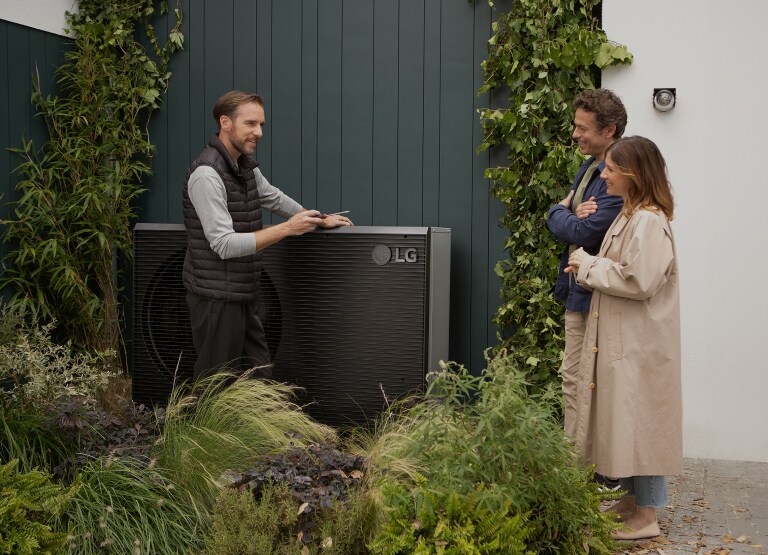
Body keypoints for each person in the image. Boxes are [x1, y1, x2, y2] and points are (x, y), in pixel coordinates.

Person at [182, 90, 352, 381]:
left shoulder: (243, 167)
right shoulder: (207, 175)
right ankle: (198, 427)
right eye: (250, 123)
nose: (258, 132)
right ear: (226, 123)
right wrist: (289, 228)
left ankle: (270, 427)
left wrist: (317, 218)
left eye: (261, 124)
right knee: (214, 383)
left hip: (243, 291)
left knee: (260, 376)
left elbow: (272, 197)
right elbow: (223, 244)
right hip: (215, 298)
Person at [566, 136, 682, 540]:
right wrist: (591, 264)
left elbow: (639, 279)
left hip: (639, 343)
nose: (604, 174)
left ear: (633, 174)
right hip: (626, 339)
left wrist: (586, 263)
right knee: (629, 420)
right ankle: (632, 504)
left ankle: (646, 516)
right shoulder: (632, 214)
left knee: (642, 421)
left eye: (612, 168)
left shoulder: (649, 220)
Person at [547, 88, 627, 437]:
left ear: (608, 130)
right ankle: (580, 466)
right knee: (574, 378)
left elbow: (587, 231)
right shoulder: (590, 167)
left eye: (583, 127)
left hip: (597, 295)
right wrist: (564, 214)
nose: (575, 133)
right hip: (578, 290)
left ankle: (585, 469)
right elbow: (571, 224)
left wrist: (559, 212)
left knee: (584, 380)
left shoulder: (617, 173)